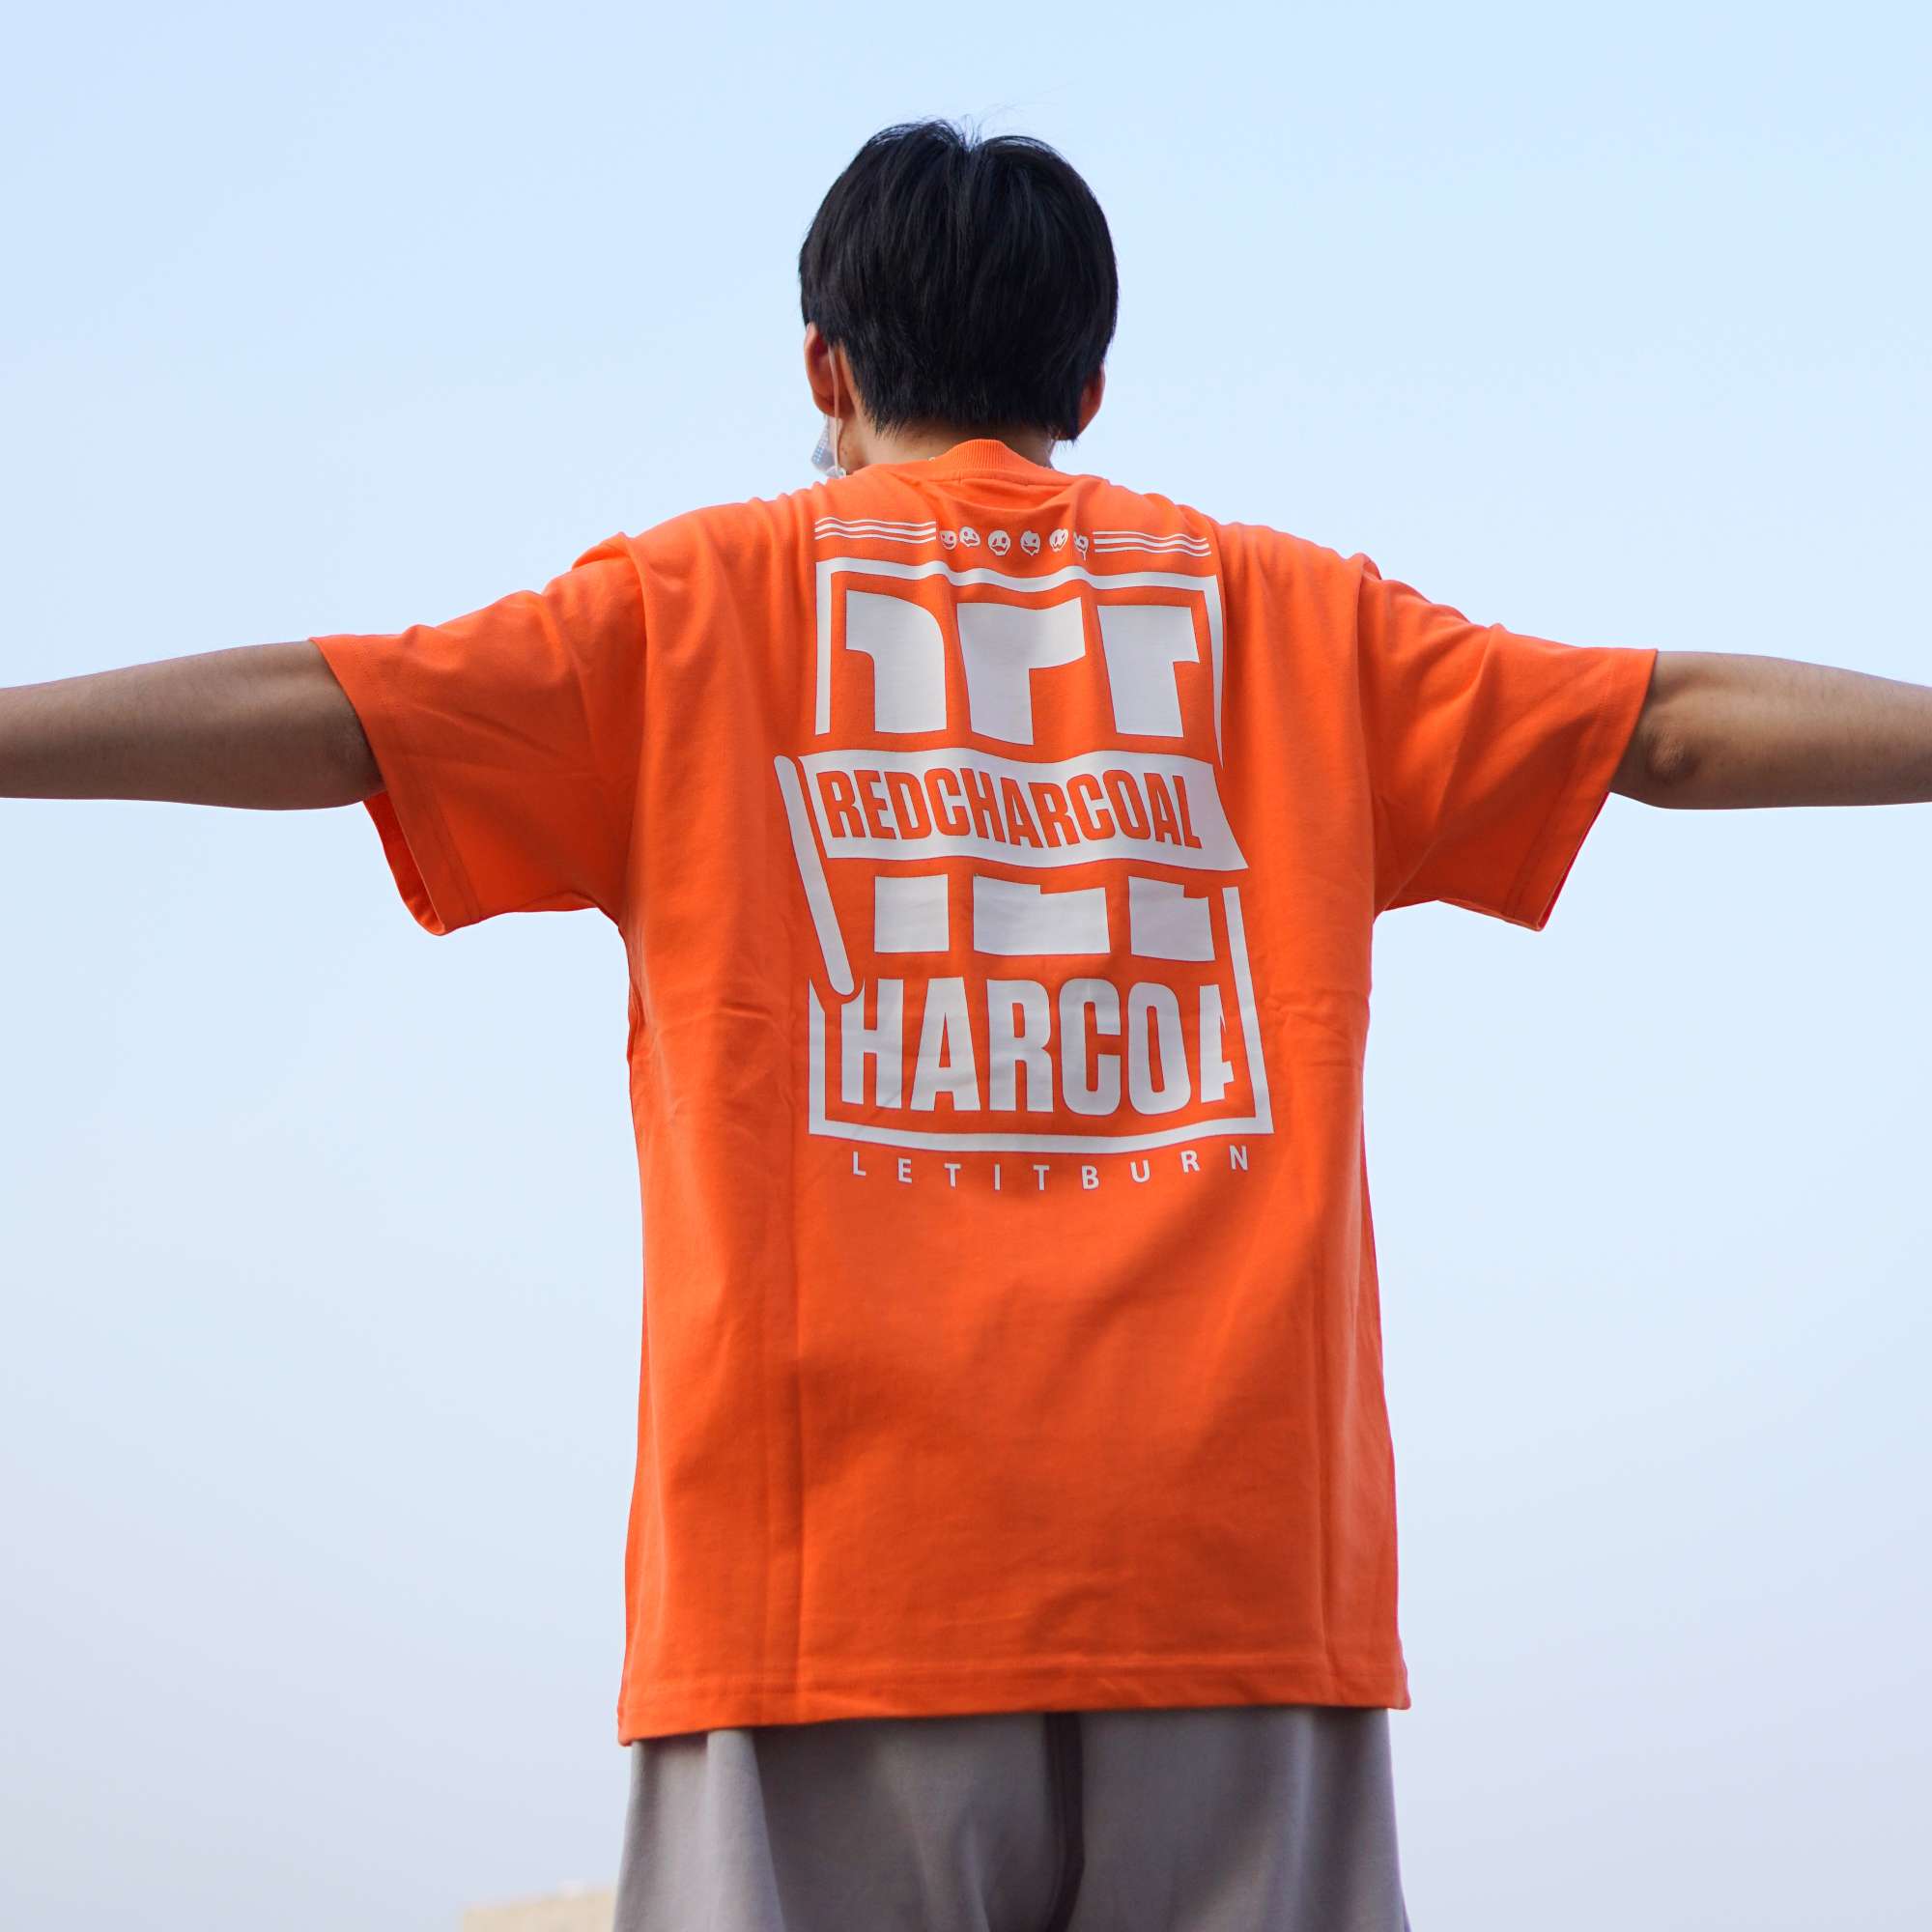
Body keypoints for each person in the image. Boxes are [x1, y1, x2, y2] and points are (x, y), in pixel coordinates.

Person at [5, 117, 1926, 1932]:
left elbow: (337, 713)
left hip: (822, 1594)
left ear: (826, 369)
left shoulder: (686, 610)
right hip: (1233, 1589)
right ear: (1086, 383)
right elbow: (1670, 728)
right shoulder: (1294, 621)